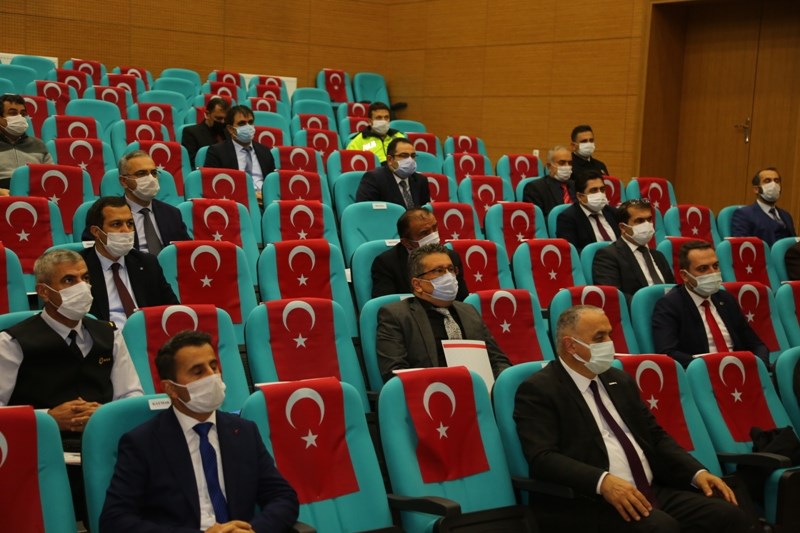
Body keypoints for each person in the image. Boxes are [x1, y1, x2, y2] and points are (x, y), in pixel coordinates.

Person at [514, 305, 746, 533]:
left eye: (609, 335)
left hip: (649, 489)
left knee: (728, 514)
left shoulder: (619, 380)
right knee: (660, 527)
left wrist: (697, 473)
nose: (609, 343)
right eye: (599, 337)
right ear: (570, 345)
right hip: (590, 501)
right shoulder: (539, 389)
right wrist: (602, 481)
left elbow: (655, 436)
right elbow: (542, 458)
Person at [100, 330, 299, 533]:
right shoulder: (142, 443)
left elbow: (283, 497)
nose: (212, 376)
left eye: (213, 366)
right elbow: (115, 520)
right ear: (171, 389)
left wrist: (253, 530)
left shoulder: (244, 432)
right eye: (198, 372)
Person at [0, 249, 144, 522]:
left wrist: (103, 414)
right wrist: (48, 418)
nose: (82, 287)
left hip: (104, 446)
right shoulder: (12, 342)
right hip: (44, 453)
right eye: (69, 280)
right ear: (44, 292)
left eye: (85, 278)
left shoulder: (109, 334)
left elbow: (131, 395)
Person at [376, 243, 510, 382]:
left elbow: (498, 361)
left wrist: (503, 385)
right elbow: (395, 374)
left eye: (451, 269)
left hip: (481, 388)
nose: (449, 276)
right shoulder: (396, 315)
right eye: (439, 271)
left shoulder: (469, 311)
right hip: (432, 390)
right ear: (417, 284)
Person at [652, 241, 769, 367]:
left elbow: (757, 345)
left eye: (715, 266)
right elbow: (668, 353)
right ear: (685, 276)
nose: (712, 273)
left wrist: (759, 367)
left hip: (740, 369)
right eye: (703, 269)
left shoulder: (726, 299)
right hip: (703, 372)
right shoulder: (669, 305)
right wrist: (709, 366)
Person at [80, 196, 179, 327]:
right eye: (116, 224)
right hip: (104, 336)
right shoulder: (80, 268)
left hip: (147, 334)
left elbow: (172, 310)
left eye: (130, 223)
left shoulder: (147, 263)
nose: (126, 231)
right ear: (96, 232)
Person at [371, 208, 468, 300]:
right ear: (406, 243)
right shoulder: (386, 263)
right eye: (424, 233)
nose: (433, 235)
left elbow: (462, 299)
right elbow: (386, 305)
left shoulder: (451, 257)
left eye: (434, 228)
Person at [593, 199, 674, 301]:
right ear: (623, 227)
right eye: (639, 221)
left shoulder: (658, 256)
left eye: (649, 219)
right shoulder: (607, 256)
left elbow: (672, 289)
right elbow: (614, 296)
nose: (647, 225)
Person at [205, 105, 276, 203]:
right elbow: (214, 186)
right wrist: (250, 196)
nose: (248, 127)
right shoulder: (217, 152)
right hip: (236, 202)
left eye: (250, 122)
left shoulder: (265, 151)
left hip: (265, 201)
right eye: (242, 123)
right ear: (230, 129)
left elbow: (273, 183)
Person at [0, 93, 53, 194]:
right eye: (13, 113)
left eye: (23, 114)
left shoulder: (39, 145)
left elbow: (51, 178)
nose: (20, 117)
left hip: (35, 196)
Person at [556, 169, 620, 252]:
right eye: (593, 190)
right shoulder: (567, 218)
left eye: (602, 189)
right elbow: (572, 252)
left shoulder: (613, 212)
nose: (600, 194)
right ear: (580, 196)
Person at [355, 137, 430, 207]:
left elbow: (425, 211)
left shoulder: (420, 180)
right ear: (390, 160)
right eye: (404, 156)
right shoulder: (374, 179)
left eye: (413, 156)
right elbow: (366, 211)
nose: (410, 160)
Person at [730, 167, 796, 245]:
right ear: (756, 189)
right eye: (767, 181)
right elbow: (742, 246)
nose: (773, 185)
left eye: (776, 181)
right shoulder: (743, 214)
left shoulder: (786, 215)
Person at [522, 145, 575, 217]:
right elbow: (538, 219)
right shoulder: (534, 188)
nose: (567, 166)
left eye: (570, 163)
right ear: (549, 166)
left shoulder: (575, 185)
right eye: (562, 163)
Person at [182, 97, 230, 168]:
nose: (223, 122)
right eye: (218, 118)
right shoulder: (191, 132)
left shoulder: (229, 133)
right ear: (207, 115)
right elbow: (192, 163)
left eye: (225, 119)